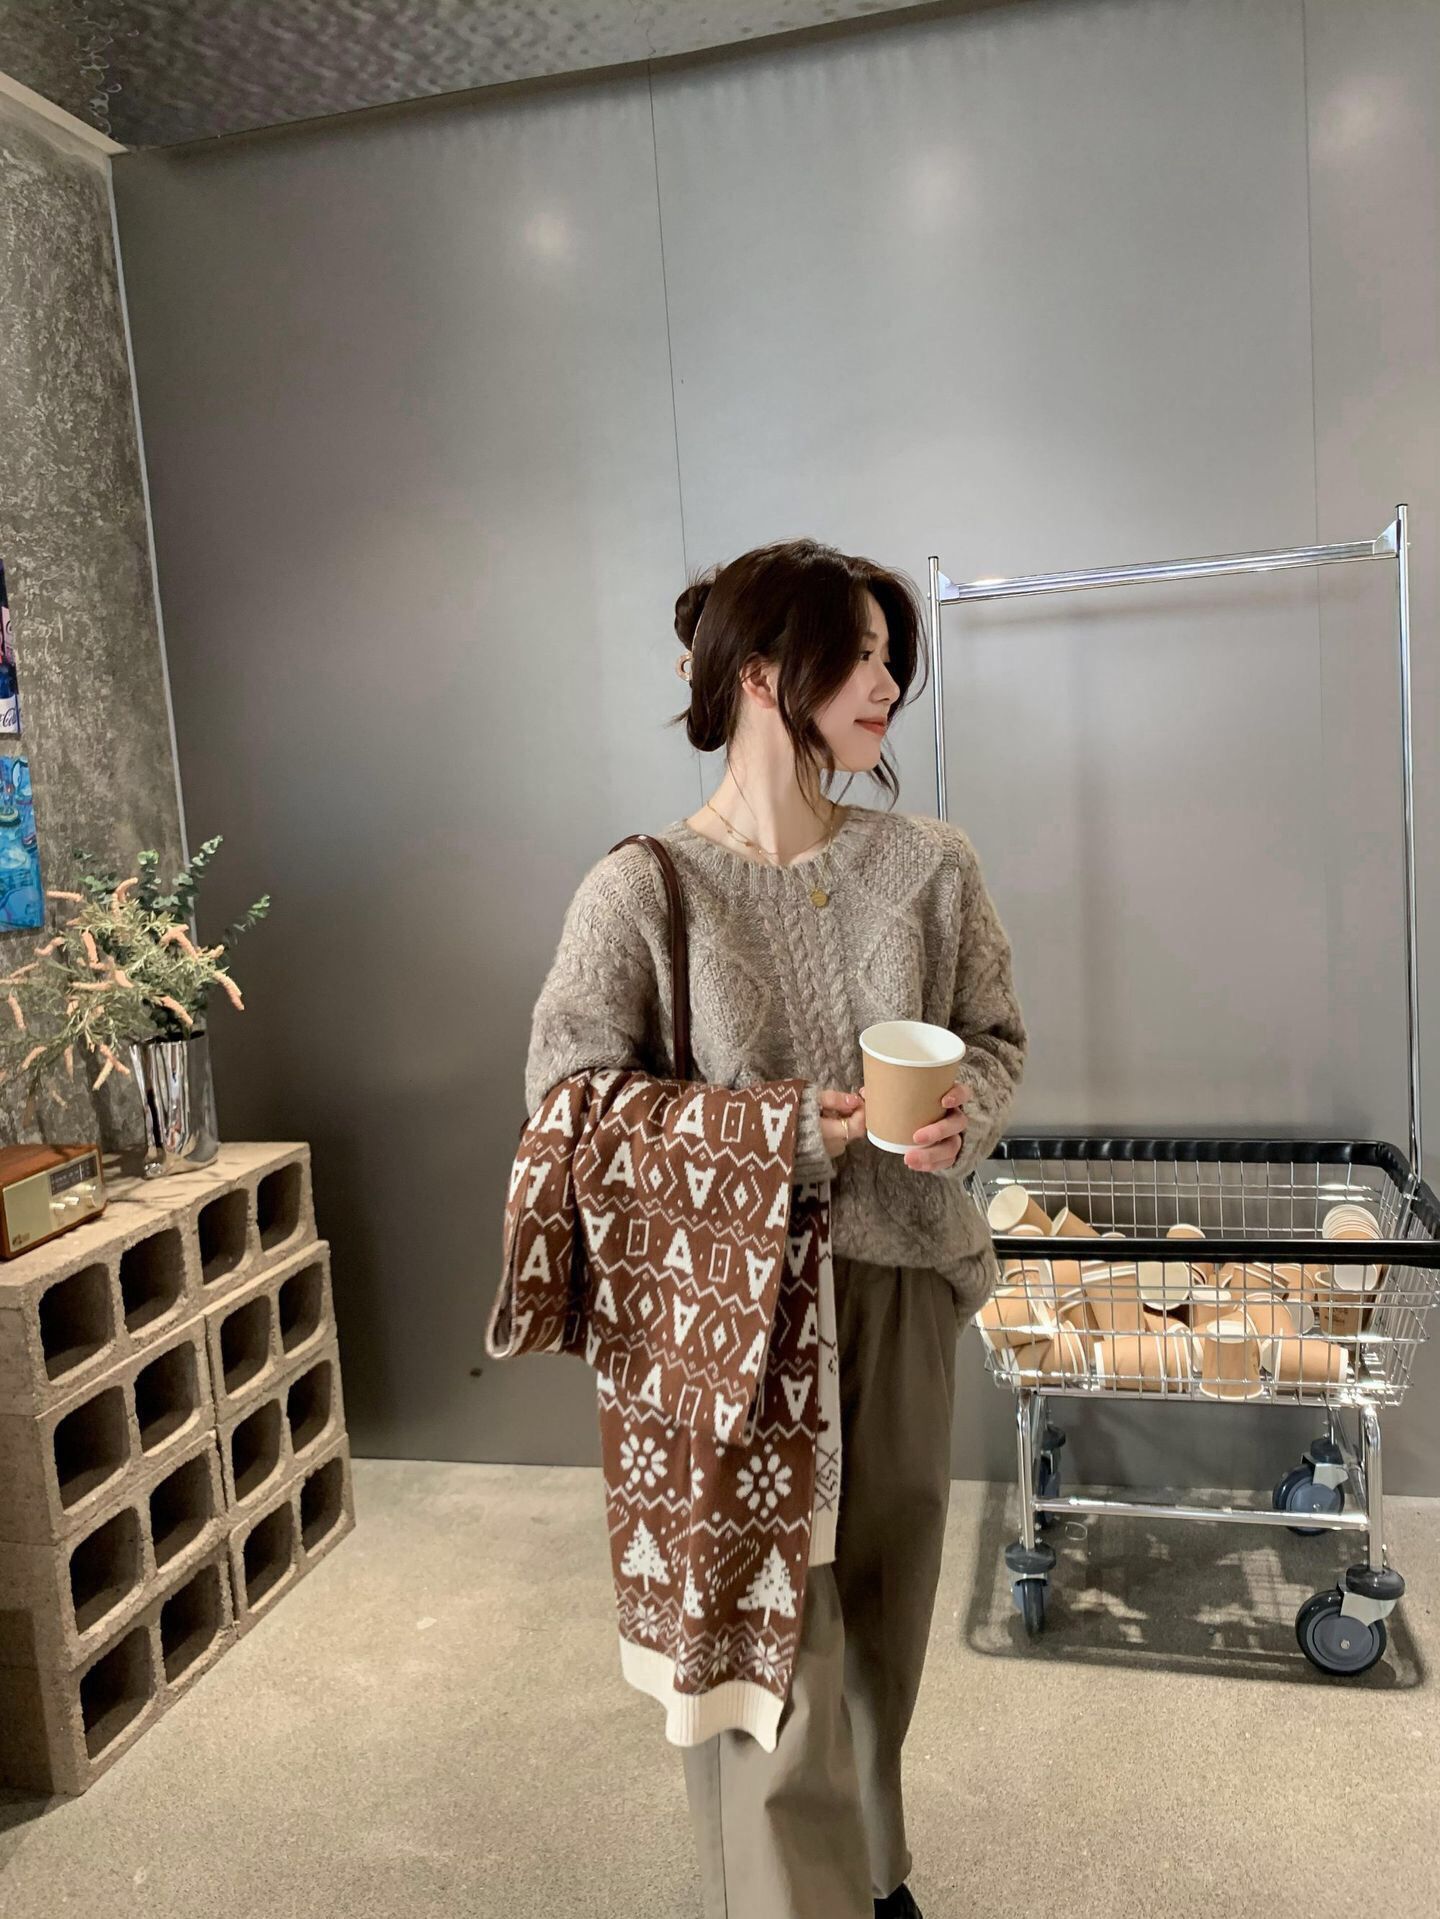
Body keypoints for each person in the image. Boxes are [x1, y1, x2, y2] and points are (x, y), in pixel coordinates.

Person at [524, 537, 1027, 1919]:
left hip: (902, 1282)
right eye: (855, 656)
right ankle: (787, 1901)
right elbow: (567, 1110)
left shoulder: (931, 866)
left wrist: (963, 1119)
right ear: (759, 674)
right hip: (735, 1321)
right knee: (768, 1638)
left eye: (890, 658)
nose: (887, 684)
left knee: (884, 1616)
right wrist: (785, 1134)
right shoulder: (643, 891)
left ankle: (869, 1869)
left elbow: (993, 1037)